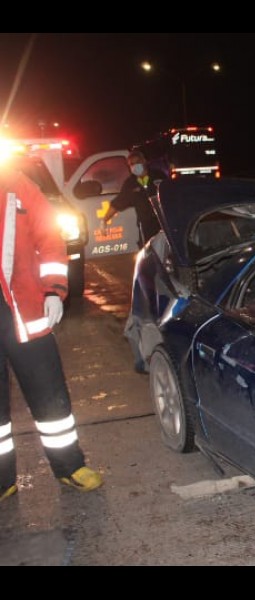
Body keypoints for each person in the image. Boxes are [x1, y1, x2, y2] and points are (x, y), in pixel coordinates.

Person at [0, 165, 103, 501]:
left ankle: (70, 467)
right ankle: (2, 481)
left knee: (49, 394)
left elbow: (49, 237)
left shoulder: (16, 184)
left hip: (24, 310)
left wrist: (54, 290)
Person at [102, 150, 168, 249]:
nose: (134, 166)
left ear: (144, 161)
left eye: (137, 162)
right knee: (148, 252)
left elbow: (173, 194)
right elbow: (118, 203)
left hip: (164, 224)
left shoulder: (158, 176)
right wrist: (104, 221)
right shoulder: (130, 184)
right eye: (131, 164)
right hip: (146, 227)